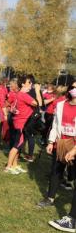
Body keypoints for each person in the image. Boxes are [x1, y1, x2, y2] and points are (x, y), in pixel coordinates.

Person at [38, 81, 75, 211]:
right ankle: (50, 198)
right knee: (56, 170)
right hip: (60, 143)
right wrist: (51, 142)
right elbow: (55, 126)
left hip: (74, 145)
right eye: (73, 88)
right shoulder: (60, 105)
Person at [5, 76, 42, 174]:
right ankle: (8, 167)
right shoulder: (24, 95)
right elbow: (38, 104)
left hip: (20, 123)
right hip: (20, 124)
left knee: (19, 145)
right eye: (29, 82)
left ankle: (14, 164)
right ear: (22, 84)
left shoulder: (19, 94)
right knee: (17, 145)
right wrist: (37, 92)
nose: (31, 84)